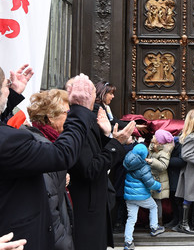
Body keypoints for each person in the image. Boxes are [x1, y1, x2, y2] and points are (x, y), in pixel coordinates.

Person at [0, 72, 96, 250]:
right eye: (6, 85)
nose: (9, 88)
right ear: (51, 117)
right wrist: (81, 109)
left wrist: (11, 95)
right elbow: (63, 154)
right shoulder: (23, 140)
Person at [68, 87, 136, 250]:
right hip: (85, 207)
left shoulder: (87, 122)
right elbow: (91, 167)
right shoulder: (77, 128)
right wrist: (115, 143)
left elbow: (97, 154)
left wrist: (107, 135)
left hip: (96, 202)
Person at [24, 89, 75, 250]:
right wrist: (64, 242)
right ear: (51, 116)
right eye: (67, 112)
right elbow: (50, 203)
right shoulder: (42, 147)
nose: (70, 118)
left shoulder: (51, 141)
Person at [123, 143, 164, 250]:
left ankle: (128, 242)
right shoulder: (143, 167)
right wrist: (159, 186)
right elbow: (150, 183)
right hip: (141, 196)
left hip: (129, 196)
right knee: (153, 207)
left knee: (131, 218)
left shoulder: (128, 162)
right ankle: (154, 227)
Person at [176, 109, 194, 234]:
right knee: (189, 196)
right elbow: (186, 154)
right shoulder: (192, 136)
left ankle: (193, 222)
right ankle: (184, 224)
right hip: (192, 171)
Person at [147, 129, 174, 232]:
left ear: (159, 140)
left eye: (155, 136)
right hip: (152, 179)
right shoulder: (154, 147)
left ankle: (158, 222)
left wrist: (152, 161)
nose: (153, 136)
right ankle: (152, 222)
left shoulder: (164, 152)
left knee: (157, 202)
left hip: (159, 180)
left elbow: (163, 166)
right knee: (151, 201)